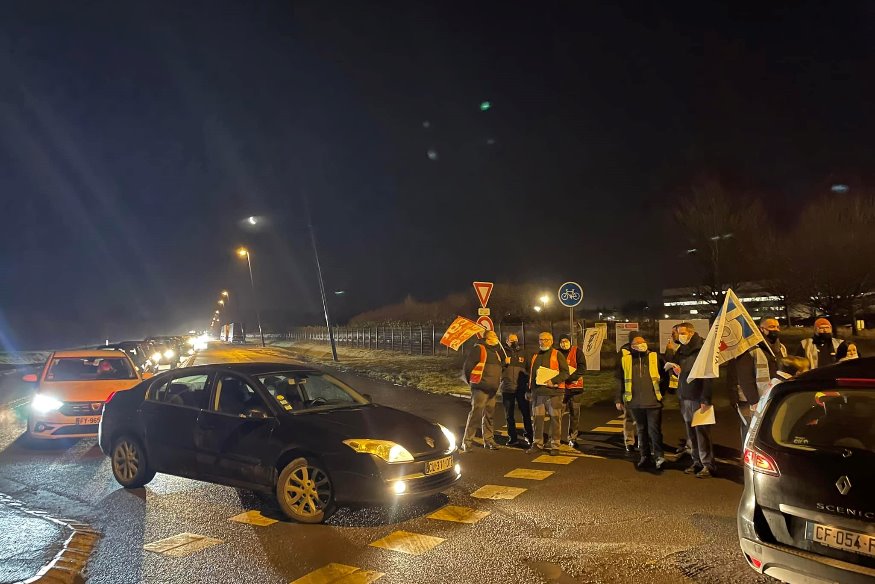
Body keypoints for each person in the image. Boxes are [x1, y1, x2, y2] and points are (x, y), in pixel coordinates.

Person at [726, 317, 788, 445]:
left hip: (773, 397)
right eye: (771, 327)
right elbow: (745, 377)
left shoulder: (781, 348)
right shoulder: (750, 348)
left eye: (777, 326)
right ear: (761, 329)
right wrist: (753, 400)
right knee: (750, 430)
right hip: (753, 400)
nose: (775, 329)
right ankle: (747, 457)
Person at [667, 322, 715, 478]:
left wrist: (705, 399)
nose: (679, 336)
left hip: (698, 397)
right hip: (684, 396)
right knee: (691, 434)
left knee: (702, 433)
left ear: (691, 333)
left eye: (682, 332)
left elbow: (708, 376)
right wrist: (676, 372)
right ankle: (696, 462)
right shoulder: (682, 350)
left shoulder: (702, 350)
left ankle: (707, 464)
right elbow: (677, 369)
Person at [615, 335, 667, 469]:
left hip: (653, 402)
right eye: (637, 343)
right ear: (631, 346)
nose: (641, 344)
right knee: (641, 430)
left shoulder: (655, 357)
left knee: (654, 430)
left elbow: (666, 374)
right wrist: (618, 399)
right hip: (634, 402)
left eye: (643, 342)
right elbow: (620, 380)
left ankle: (659, 456)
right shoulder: (625, 360)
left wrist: (662, 392)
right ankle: (644, 457)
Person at [460, 330, 505, 452]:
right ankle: (467, 441)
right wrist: (472, 383)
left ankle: (489, 440)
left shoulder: (496, 352)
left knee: (489, 416)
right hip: (480, 389)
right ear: (487, 338)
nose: (497, 337)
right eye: (494, 335)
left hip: (492, 389)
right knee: (476, 414)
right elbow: (468, 366)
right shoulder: (479, 349)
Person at [526, 332, 569, 456]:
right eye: (541, 339)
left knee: (555, 419)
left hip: (554, 393)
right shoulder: (535, 356)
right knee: (537, 420)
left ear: (551, 341)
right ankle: (537, 443)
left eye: (546, 339)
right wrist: (530, 391)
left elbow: (565, 372)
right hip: (538, 394)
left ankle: (555, 445)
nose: (543, 342)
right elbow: (532, 375)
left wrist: (554, 381)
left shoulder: (557, 354)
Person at [500, 333, 533, 447]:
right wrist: (504, 362)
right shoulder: (502, 353)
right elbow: (496, 368)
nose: (514, 342)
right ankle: (512, 437)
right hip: (507, 388)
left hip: (521, 388)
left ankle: (529, 435)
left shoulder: (524, 353)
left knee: (526, 413)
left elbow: (529, 369)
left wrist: (528, 385)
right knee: (509, 415)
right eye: (511, 340)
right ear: (507, 341)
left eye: (516, 340)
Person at [557, 333, 585, 445]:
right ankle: (555, 438)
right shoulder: (556, 353)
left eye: (566, 341)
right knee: (557, 414)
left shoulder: (577, 351)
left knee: (574, 414)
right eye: (562, 342)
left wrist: (570, 378)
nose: (564, 344)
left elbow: (582, 367)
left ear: (570, 342)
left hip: (575, 387)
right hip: (561, 389)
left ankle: (572, 438)